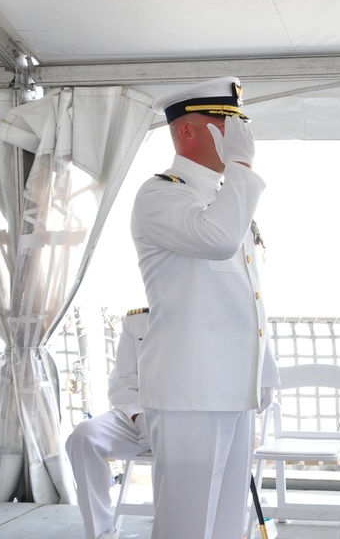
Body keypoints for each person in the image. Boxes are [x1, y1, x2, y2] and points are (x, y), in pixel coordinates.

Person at [130, 76, 279, 539]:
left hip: (234, 390)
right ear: (187, 133)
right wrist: (241, 164)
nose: (235, 134)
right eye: (222, 122)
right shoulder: (160, 194)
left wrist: (265, 372)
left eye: (237, 124)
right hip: (189, 393)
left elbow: (249, 295)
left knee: (226, 523)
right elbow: (216, 242)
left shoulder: (224, 198)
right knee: (186, 524)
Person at [65, 308, 150, 539]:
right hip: (139, 416)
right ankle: (101, 533)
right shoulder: (138, 319)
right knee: (84, 436)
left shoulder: (205, 313)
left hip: (190, 422)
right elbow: (123, 383)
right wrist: (140, 417)